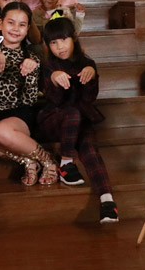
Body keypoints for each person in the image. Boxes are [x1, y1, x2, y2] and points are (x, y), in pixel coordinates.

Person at [0, 3, 58, 186]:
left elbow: (30, 100)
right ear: (0, 23)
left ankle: (48, 160)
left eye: (22, 25)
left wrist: (31, 71)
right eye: (11, 22)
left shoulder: (31, 57)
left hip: (18, 115)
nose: (16, 29)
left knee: (1, 131)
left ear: (27, 29)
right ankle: (26, 160)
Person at [38, 17, 118, 224]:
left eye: (63, 39)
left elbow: (89, 100)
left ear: (73, 38)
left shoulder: (87, 63)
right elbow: (54, 100)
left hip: (79, 119)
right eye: (53, 42)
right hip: (53, 120)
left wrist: (92, 77)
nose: (60, 47)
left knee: (90, 149)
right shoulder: (47, 65)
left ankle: (107, 201)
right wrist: (54, 79)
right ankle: (66, 164)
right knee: (72, 113)